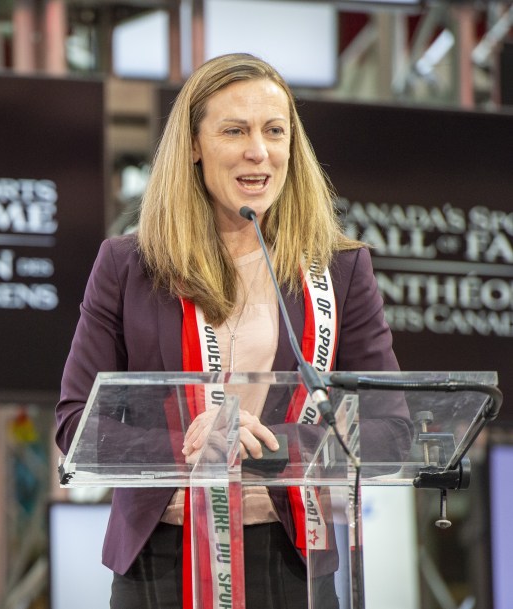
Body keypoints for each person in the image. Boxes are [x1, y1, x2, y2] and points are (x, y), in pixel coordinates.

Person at [54, 53, 413, 609]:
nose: (258, 151)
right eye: (234, 131)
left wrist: (266, 449)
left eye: (274, 131)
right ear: (193, 146)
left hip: (293, 557)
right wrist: (191, 444)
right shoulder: (128, 264)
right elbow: (77, 427)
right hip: (160, 561)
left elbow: (392, 430)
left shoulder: (340, 270)